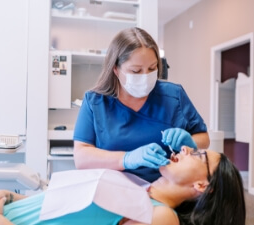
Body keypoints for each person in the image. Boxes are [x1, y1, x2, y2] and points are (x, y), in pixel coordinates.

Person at [0, 146, 245, 225]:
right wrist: (9, 198)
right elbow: (60, 210)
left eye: (197, 154)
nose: (185, 147)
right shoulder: (136, 187)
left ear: (202, 185)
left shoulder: (161, 217)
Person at [73, 27, 210, 182]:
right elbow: (81, 157)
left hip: (163, 190)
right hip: (112, 191)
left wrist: (190, 143)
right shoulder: (95, 102)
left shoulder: (174, 96)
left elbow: (204, 138)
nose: (145, 77)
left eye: (152, 68)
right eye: (136, 71)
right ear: (116, 69)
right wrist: (126, 159)